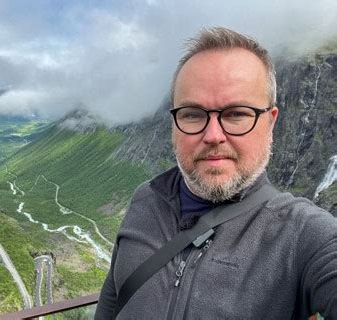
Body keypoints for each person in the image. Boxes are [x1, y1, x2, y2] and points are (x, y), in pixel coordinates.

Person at [95, 27, 337, 319]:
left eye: (236, 114)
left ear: (271, 122)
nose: (213, 135)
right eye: (193, 114)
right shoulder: (145, 199)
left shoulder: (305, 235)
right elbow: (112, 300)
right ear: (174, 122)